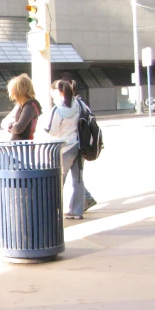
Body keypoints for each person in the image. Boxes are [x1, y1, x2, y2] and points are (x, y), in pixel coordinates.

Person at [44, 79, 85, 219]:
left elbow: (52, 131)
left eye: (52, 90)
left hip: (65, 148)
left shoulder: (57, 109)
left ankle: (53, 211)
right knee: (78, 179)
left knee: (58, 181)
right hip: (79, 146)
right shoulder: (78, 104)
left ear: (58, 91)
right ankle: (77, 211)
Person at [62, 78, 97, 212]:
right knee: (77, 178)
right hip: (81, 145)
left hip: (70, 145)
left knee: (62, 177)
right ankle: (85, 199)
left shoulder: (69, 105)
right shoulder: (81, 104)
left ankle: (58, 206)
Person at [1, 74, 43, 140]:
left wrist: (10, 125)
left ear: (18, 91)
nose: (11, 94)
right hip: (22, 146)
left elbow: (18, 129)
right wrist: (13, 125)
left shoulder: (30, 106)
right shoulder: (24, 105)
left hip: (24, 146)